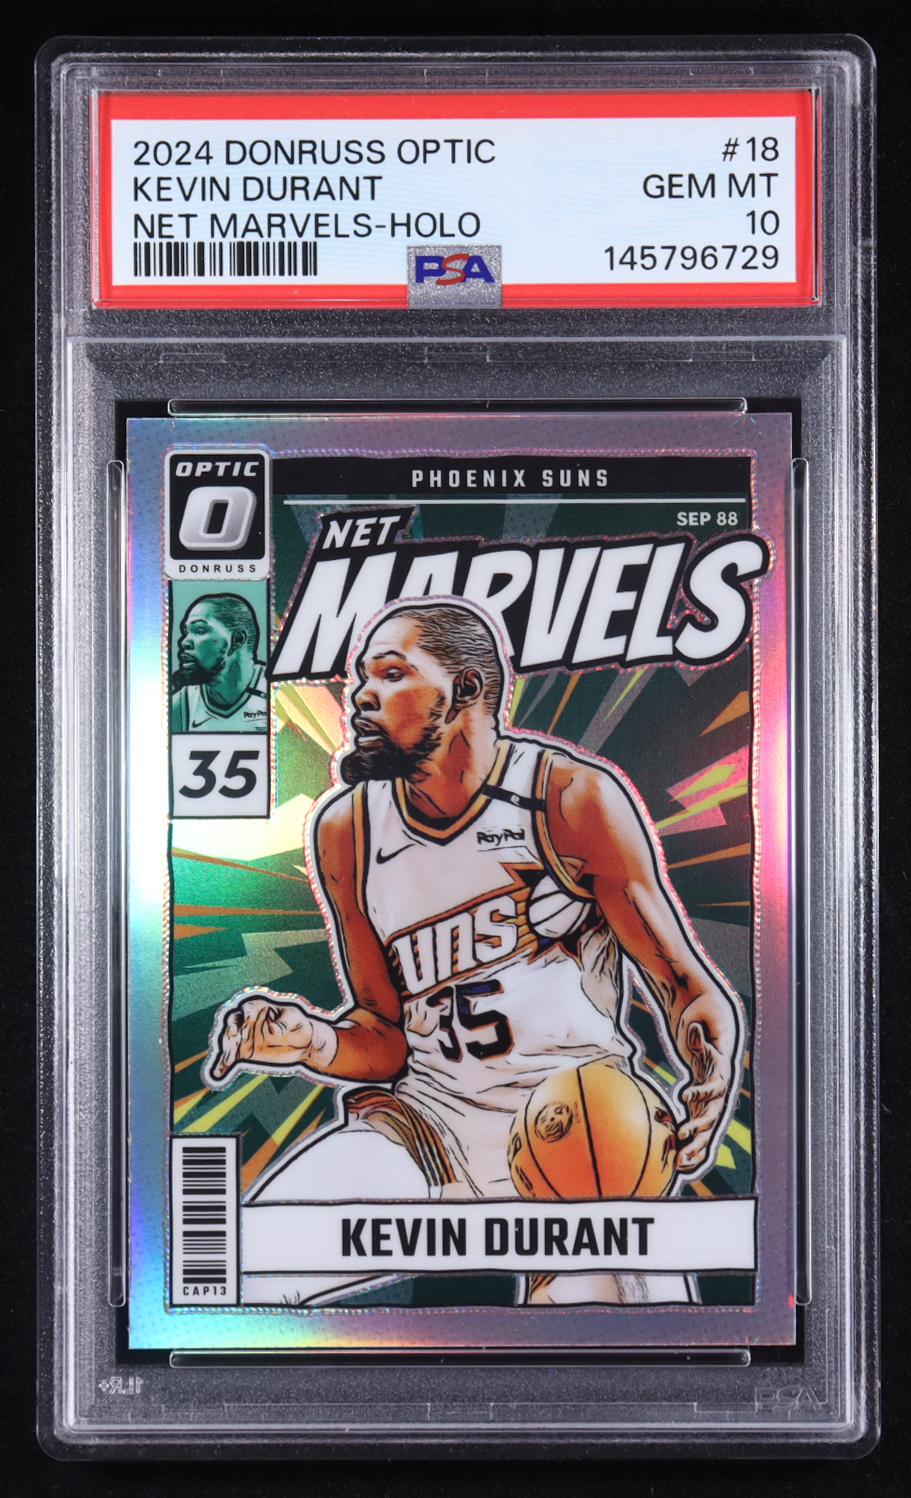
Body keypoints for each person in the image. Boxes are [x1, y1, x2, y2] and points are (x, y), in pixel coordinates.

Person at [205, 599, 744, 1306]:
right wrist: (310, 1041)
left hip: (574, 1119)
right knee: (237, 1272)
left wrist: (710, 1065)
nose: (360, 694)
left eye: (391, 673)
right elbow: (383, 1035)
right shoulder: (347, 829)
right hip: (426, 1125)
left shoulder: (569, 798)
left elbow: (683, 986)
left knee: (624, 1348)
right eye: (361, 676)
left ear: (463, 689)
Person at [171, 593, 268, 732]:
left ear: (238, 639)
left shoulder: (277, 692)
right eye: (187, 632)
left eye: (200, 630)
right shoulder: (180, 706)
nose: (184, 642)